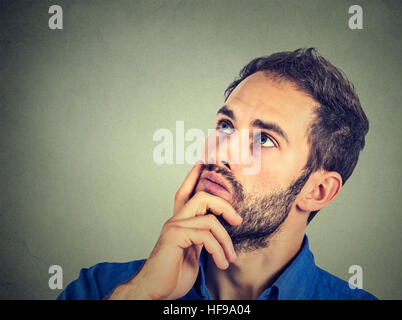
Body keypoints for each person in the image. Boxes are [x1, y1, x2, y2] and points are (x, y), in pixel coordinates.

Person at [58, 48, 377, 300]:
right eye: (226, 126)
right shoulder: (102, 289)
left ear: (317, 191)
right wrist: (142, 295)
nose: (220, 152)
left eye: (264, 139)